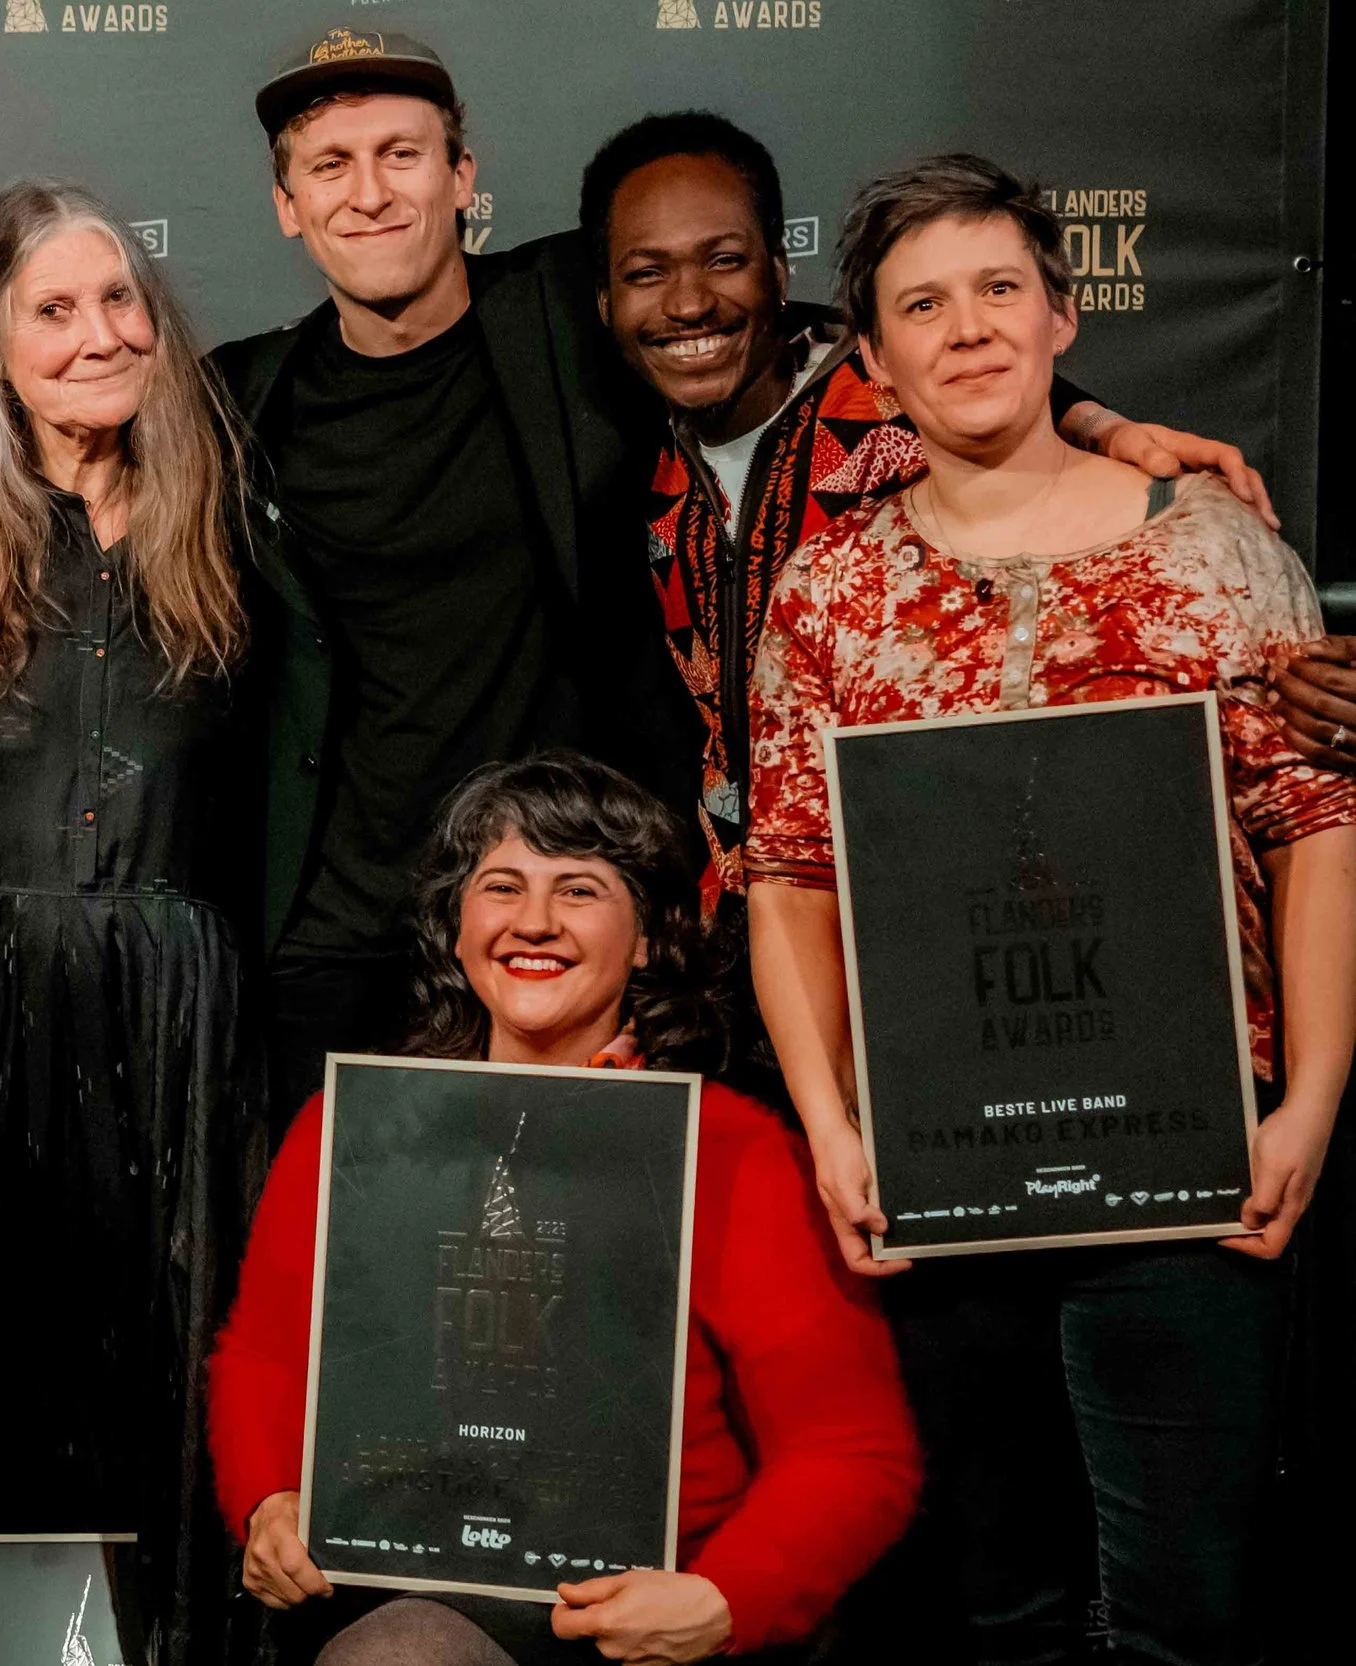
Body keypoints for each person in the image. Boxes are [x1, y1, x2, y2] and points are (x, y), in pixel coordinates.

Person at [216, 28, 1250, 1115]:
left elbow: (881, 342)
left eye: (401, 154)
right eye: (331, 165)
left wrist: (1096, 423)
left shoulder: (565, 301)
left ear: (462, 175)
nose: (369, 193)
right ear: (286, 202)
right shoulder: (244, 391)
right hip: (341, 930)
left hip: (588, 909)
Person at [745, 153, 1356, 1665]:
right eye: (922, 306)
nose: (968, 330)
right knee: (997, 1609)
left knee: (1184, 1615)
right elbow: (791, 876)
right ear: (871, 361)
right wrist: (831, 1129)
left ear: (1062, 315)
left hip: (1194, 1157)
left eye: (999, 289)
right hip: (940, 1165)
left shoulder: (1215, 548)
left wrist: (1310, 1099)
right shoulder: (828, 592)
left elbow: (1314, 832)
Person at [208, 753, 921, 1664]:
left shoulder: (733, 1152)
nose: (533, 921)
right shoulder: (354, 1131)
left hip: (646, 1620)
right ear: (456, 930)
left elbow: (853, 1448)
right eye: (501, 887)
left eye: (579, 890)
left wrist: (725, 1598)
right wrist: (268, 1498)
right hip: (400, 1592)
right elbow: (266, 1355)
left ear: (650, 938)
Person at [578, 110, 1288, 914]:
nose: (687, 304)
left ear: (778, 270)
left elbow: (998, 395)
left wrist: (1101, 424)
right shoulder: (643, 459)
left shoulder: (893, 401)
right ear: (603, 301)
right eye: (646, 274)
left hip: (955, 893)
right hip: (755, 910)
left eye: (725, 260)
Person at [0, 180, 259, 1663]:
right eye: (53, 310)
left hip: (184, 1024)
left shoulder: (233, 513)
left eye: (120, 300)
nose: (101, 334)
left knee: (179, 1379)